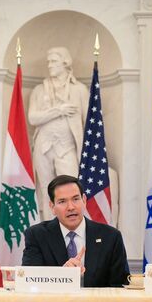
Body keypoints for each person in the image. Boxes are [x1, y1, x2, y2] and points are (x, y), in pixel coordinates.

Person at [21, 175, 129, 287]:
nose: (71, 207)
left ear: (84, 200)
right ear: (52, 206)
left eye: (76, 199)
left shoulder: (110, 237)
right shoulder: (37, 235)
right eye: (62, 201)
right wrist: (61, 276)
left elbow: (120, 286)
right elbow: (29, 282)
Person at [28, 47, 89, 221]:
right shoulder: (39, 90)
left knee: (71, 187)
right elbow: (33, 118)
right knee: (47, 189)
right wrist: (58, 110)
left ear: (65, 62)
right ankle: (48, 229)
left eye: (53, 61)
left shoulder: (80, 90)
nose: (49, 65)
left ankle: (72, 226)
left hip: (68, 146)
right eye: (48, 62)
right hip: (43, 145)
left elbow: (88, 122)